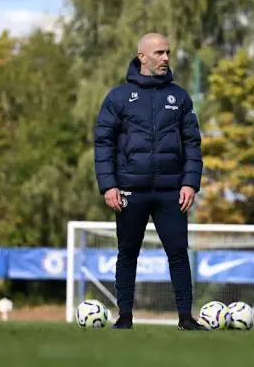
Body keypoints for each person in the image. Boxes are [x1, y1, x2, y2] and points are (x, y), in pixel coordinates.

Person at [93, 32, 207, 331]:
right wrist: (109, 185)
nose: (166, 58)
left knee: (179, 254)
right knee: (127, 254)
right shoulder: (118, 97)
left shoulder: (180, 97)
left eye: (168, 52)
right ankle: (125, 317)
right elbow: (103, 142)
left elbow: (193, 143)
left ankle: (185, 318)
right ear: (142, 57)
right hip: (130, 190)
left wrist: (190, 183)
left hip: (172, 191)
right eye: (159, 52)